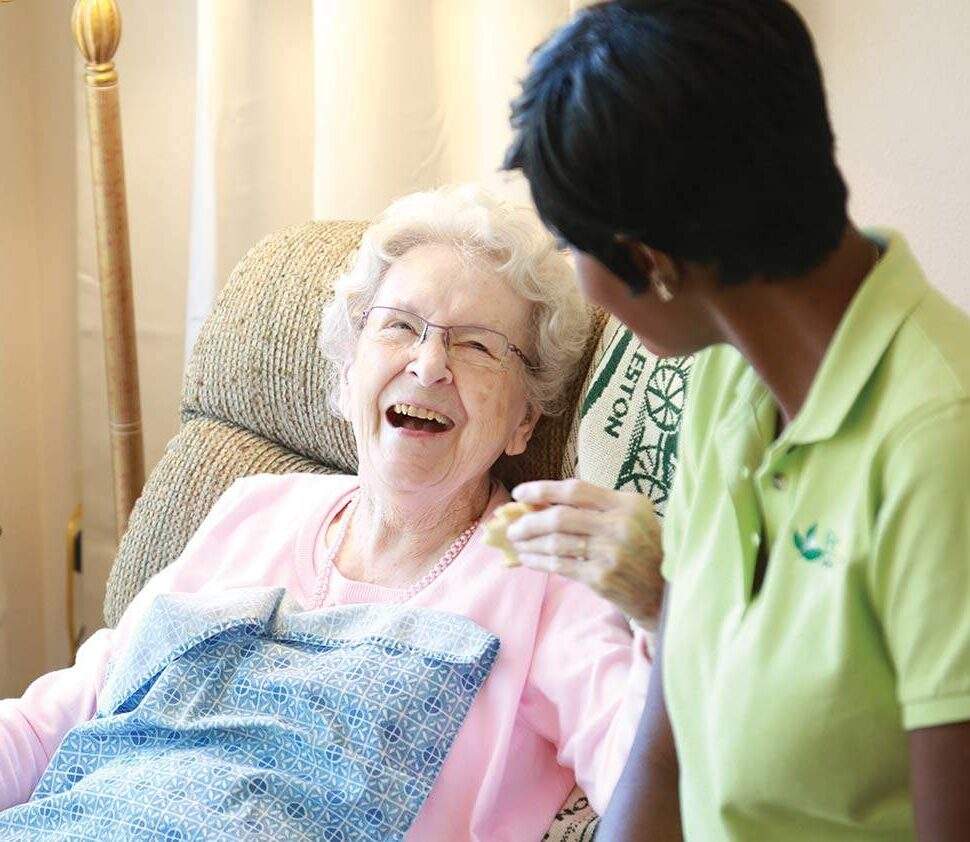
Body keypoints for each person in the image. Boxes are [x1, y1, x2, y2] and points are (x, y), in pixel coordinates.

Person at [0, 185, 664, 841]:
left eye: (477, 346)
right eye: (400, 325)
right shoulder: (255, 506)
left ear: (524, 419)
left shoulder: (545, 573)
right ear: (347, 374)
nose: (429, 364)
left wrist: (663, 612)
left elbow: (664, 790)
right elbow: (62, 715)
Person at [503, 1, 970, 839]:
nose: (578, 279)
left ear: (651, 260)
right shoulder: (725, 374)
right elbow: (666, 746)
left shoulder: (942, 449)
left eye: (574, 247)